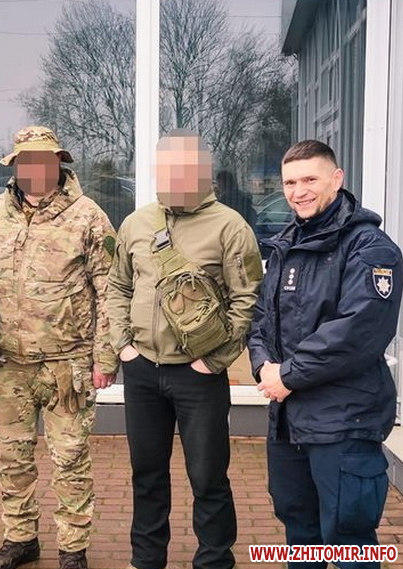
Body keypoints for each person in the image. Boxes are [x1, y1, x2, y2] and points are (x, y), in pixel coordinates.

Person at [107, 129, 263, 569]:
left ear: (204, 172)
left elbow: (247, 300)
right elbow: (118, 285)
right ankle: (146, 559)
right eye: (167, 168)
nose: (175, 176)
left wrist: (213, 361)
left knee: (208, 477)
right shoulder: (137, 223)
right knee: (146, 475)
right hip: (142, 370)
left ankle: (214, 560)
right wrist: (123, 345)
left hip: (198, 374)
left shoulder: (231, 227)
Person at [247, 140, 403, 568]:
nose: (298, 191)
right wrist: (263, 367)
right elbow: (261, 318)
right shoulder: (286, 244)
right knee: (301, 535)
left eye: (309, 179)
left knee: (349, 541)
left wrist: (287, 376)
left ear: (336, 179)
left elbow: (357, 332)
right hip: (289, 422)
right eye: (290, 183)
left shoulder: (370, 248)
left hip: (344, 422)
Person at [0, 126, 119, 569]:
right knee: (13, 458)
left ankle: (73, 549)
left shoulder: (88, 216)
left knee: (70, 461)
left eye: (43, 160)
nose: (34, 169)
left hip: (67, 365)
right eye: (26, 161)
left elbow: (111, 291)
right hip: (8, 365)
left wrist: (105, 357)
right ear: (15, 166)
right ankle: (20, 538)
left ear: (59, 163)